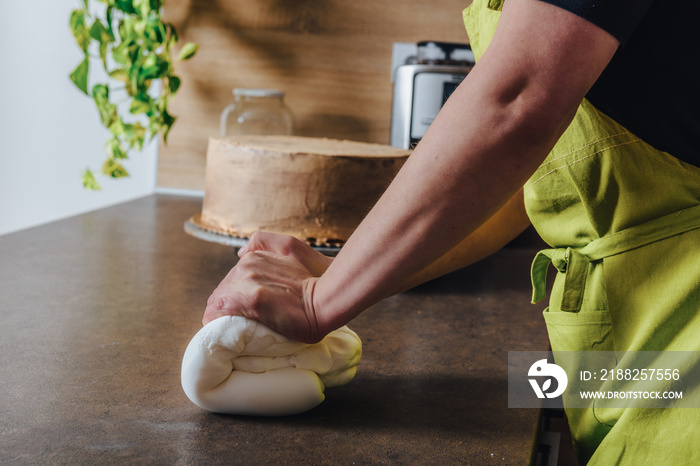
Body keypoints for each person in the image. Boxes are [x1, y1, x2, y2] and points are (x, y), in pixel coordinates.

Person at [202, 0, 700, 463]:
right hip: (638, 342)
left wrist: (318, 301)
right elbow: (519, 180)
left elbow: (519, 99)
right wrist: (345, 270)